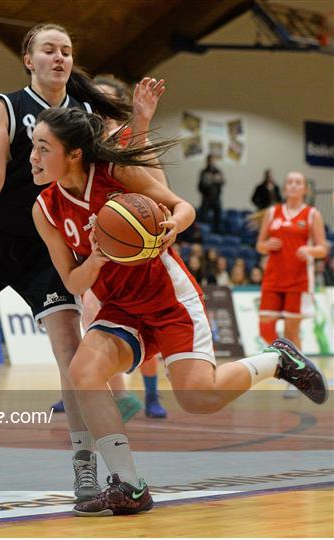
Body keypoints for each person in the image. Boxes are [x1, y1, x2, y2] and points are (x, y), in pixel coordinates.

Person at [31, 107, 327, 516]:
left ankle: (277, 360)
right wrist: (98, 258)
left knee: (198, 398)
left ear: (75, 153)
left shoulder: (115, 172)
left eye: (43, 148)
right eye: (34, 147)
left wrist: (172, 226)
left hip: (169, 299)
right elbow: (72, 282)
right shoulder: (45, 209)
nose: (33, 156)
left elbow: (181, 206)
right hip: (120, 307)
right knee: (84, 371)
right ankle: (129, 486)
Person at [0, 22, 132, 501]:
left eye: (66, 50)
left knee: (69, 351)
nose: (60, 57)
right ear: (29, 59)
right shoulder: (8, 105)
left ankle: (84, 463)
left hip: (47, 241)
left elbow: (111, 172)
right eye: (49, 50)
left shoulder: (85, 114)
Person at [53, 74, 168, 421]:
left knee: (146, 335)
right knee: (91, 315)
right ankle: (109, 392)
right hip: (99, 252)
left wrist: (143, 124)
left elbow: (162, 192)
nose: (98, 112)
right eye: (93, 104)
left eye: (105, 105)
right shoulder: (79, 147)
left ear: (117, 110)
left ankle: (151, 394)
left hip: (137, 251)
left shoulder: (132, 140)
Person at [256, 171, 329, 351]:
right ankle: (287, 357)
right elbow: (259, 245)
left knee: (291, 332)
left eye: (298, 182)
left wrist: (310, 250)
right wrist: (267, 245)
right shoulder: (273, 212)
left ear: (305, 189)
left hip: (298, 280)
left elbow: (323, 249)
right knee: (265, 329)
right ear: (285, 188)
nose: (293, 185)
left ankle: (298, 375)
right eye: (290, 182)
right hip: (273, 278)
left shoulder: (312, 214)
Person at [198, 154, 225, 233]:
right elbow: (200, 185)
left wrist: (214, 180)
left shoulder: (218, 171)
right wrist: (211, 181)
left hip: (216, 197)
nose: (211, 162)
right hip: (206, 197)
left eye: (213, 160)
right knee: (204, 216)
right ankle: (204, 232)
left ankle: (217, 231)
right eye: (210, 160)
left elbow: (222, 182)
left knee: (218, 215)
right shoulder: (203, 172)